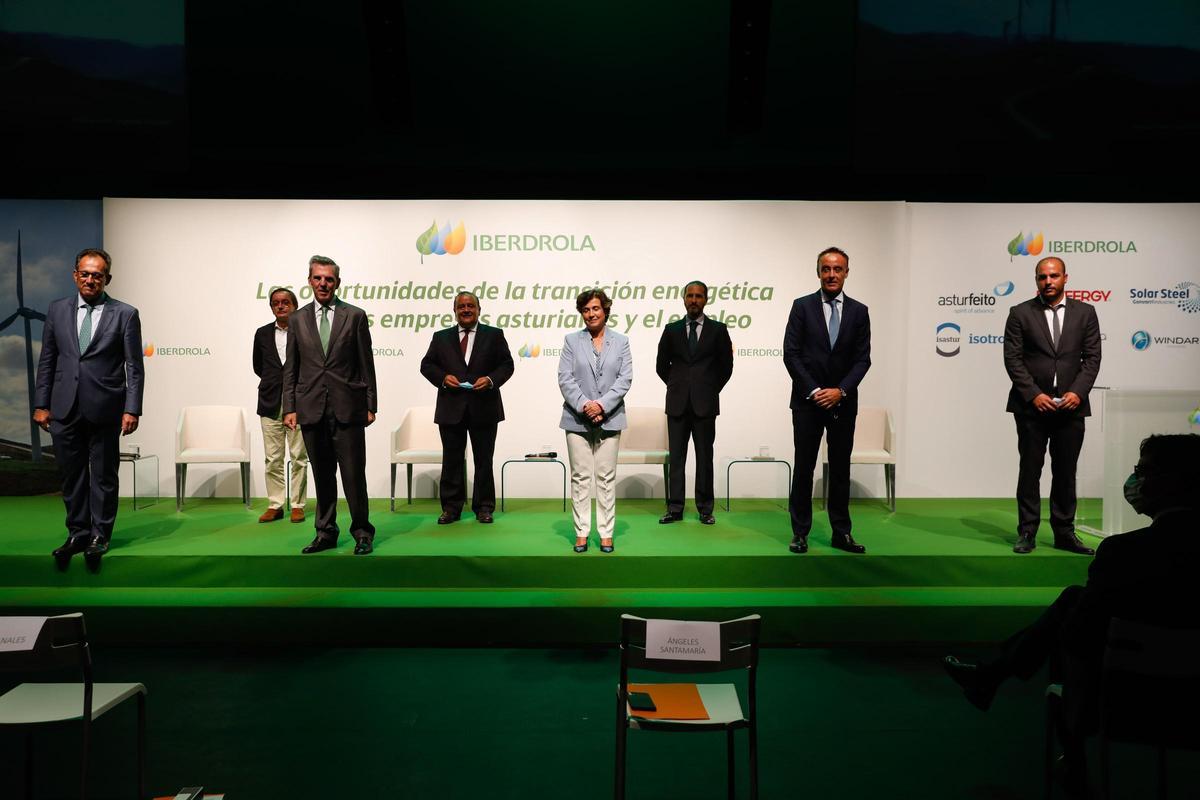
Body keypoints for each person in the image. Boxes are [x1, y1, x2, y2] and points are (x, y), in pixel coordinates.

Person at [943, 434, 1200, 797]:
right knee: (1074, 601)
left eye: (1143, 471)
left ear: (1173, 480)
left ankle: (1069, 755)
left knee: (1071, 624)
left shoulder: (1122, 553)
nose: (1136, 480)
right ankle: (990, 675)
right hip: (1192, 700)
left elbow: (1079, 635)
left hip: (1127, 702)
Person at [34, 248, 144, 569]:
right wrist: (42, 403)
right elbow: (47, 361)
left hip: (106, 407)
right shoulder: (56, 310)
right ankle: (77, 533)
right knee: (72, 476)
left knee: (104, 476)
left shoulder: (125, 313)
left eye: (97, 275)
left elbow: (134, 367)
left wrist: (132, 408)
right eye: (85, 273)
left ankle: (100, 535)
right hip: (63, 407)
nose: (91, 279)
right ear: (75, 275)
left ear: (107, 278)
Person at [1003, 256, 1102, 555]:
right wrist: (1033, 394)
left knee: (1065, 472)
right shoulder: (1020, 313)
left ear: (1065, 278)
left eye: (1054, 276)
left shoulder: (1086, 313)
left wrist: (1078, 392)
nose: (1048, 282)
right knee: (1030, 470)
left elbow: (1092, 358)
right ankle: (1027, 532)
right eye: (1042, 277)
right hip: (1032, 408)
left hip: (1072, 407)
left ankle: (1064, 533)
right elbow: (1013, 359)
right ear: (1036, 280)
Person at [282, 255, 377, 555]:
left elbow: (366, 363)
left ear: (337, 282)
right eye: (318, 278)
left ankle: (362, 532)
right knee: (322, 476)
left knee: (353, 475)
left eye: (329, 279)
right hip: (311, 408)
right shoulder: (297, 319)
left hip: (348, 408)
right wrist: (289, 407)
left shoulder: (355, 316)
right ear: (309, 280)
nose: (323, 283)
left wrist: (370, 403)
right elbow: (291, 368)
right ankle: (325, 533)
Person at [783, 246, 872, 554]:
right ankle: (800, 532)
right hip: (808, 402)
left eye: (838, 269)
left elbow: (863, 360)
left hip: (843, 403)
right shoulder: (801, 307)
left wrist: (840, 391)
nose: (831, 274)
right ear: (818, 271)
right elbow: (791, 354)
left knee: (840, 469)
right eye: (826, 269)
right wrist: (815, 390)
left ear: (847, 272)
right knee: (804, 467)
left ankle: (841, 532)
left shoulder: (860, 312)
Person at [419, 291, 514, 524]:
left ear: (479, 309)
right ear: (455, 310)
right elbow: (427, 365)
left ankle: (484, 507)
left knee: (484, 460)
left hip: (485, 407)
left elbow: (507, 365)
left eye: (471, 305)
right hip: (451, 409)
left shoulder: (494, 335)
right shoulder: (440, 337)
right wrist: (443, 377)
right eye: (461, 306)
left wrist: (491, 380)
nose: (466, 310)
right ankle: (451, 508)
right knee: (451, 460)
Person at [557, 289, 632, 553]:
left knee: (606, 477)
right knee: (580, 477)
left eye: (596, 308)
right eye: (586, 310)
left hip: (610, 418)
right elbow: (565, 378)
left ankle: (606, 533)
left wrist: (601, 405)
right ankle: (581, 532)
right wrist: (585, 406)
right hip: (576, 419)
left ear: (605, 310)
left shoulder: (621, 342)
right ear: (582, 313)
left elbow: (625, 379)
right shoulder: (571, 341)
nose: (591, 314)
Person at [655, 280, 734, 525]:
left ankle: (705, 509)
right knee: (676, 459)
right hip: (677, 404)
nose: (694, 300)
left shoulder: (719, 330)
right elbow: (661, 366)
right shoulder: (671, 329)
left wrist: (709, 389)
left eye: (699, 296)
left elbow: (726, 368)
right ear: (683, 299)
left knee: (704, 458)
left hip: (705, 405)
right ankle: (675, 508)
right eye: (690, 295)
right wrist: (678, 385)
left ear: (706, 299)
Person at [253, 287, 308, 524]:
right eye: (276, 302)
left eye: (286, 302)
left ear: (294, 306)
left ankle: (297, 504)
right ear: (271, 307)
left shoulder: (305, 332)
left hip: (298, 404)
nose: (281, 306)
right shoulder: (262, 333)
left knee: (298, 457)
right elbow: (258, 366)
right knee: (272, 458)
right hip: (269, 403)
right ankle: (275, 504)